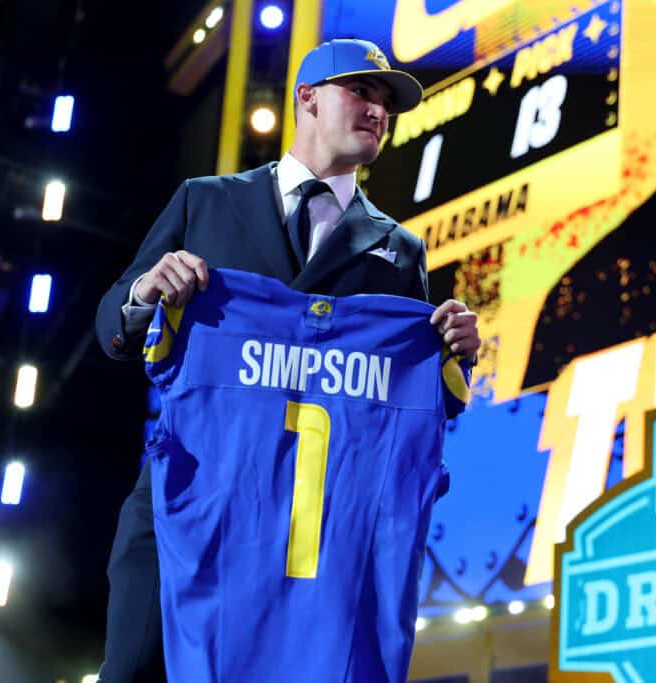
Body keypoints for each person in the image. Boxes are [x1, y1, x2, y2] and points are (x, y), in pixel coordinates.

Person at [94, 38, 481, 682]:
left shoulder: (399, 251)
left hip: (314, 535)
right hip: (193, 498)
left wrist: (453, 358)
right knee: (133, 669)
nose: (379, 111)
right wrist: (144, 291)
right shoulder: (205, 201)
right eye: (362, 92)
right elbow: (114, 325)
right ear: (307, 97)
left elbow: (401, 404)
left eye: (388, 103)